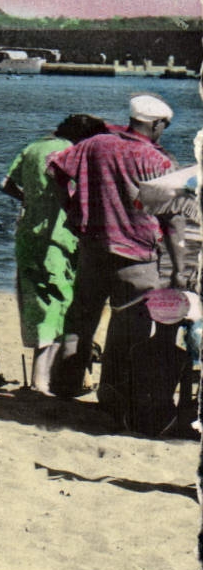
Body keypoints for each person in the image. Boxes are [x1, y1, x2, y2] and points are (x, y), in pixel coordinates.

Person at [48, 94, 184, 429]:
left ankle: (64, 386)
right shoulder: (158, 161)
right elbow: (175, 219)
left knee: (81, 318)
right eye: (163, 127)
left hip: (94, 247)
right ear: (155, 124)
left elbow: (55, 167)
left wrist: (73, 209)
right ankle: (111, 400)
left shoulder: (96, 144)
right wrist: (180, 267)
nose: (162, 133)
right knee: (128, 330)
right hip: (138, 256)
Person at [0, 114, 108, 394]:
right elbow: (75, 192)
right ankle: (43, 380)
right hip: (58, 236)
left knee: (38, 303)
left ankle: (44, 378)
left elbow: (5, 184)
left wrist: (30, 200)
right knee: (59, 306)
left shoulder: (33, 147)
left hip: (27, 234)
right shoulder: (71, 152)